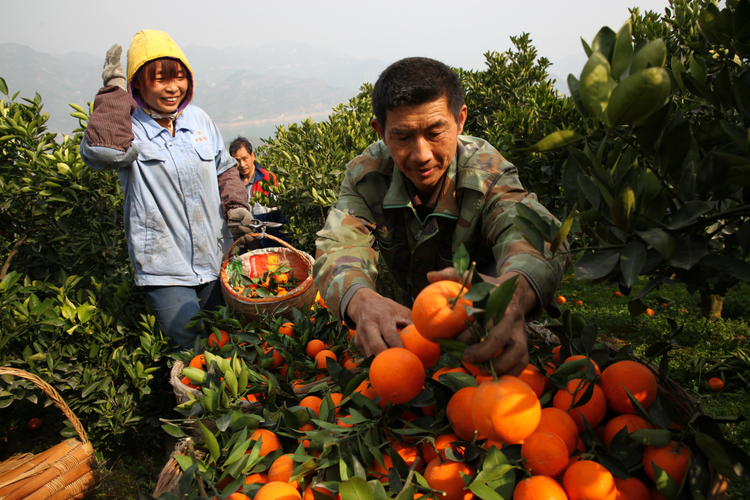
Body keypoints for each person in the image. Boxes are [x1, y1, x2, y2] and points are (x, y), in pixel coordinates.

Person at [313, 57, 570, 376]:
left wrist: (514, 291)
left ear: (460, 120)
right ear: (380, 131)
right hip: (418, 315)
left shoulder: (486, 173)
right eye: (403, 137)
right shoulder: (367, 177)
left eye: (435, 132)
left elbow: (535, 233)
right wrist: (360, 299)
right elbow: (340, 246)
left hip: (486, 307)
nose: (421, 155)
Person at [79, 30, 256, 349]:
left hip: (216, 259)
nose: (172, 87)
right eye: (159, 79)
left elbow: (225, 168)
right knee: (194, 352)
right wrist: (115, 93)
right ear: (138, 84)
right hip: (165, 268)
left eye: (179, 77)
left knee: (229, 344)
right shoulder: (128, 126)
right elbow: (103, 151)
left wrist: (236, 205)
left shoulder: (199, 120)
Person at [229, 137, 288, 248]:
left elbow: (282, 216)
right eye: (237, 160)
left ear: (253, 156)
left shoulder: (269, 179)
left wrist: (284, 245)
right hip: (244, 245)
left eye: (245, 158)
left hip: (270, 244)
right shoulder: (232, 185)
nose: (242, 164)